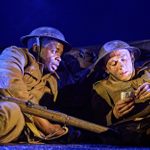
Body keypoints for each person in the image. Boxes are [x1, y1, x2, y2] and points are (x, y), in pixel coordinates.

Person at [0, 26, 72, 143]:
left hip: (25, 124)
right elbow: (9, 82)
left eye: (60, 54)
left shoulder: (52, 80)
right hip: (6, 107)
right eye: (54, 51)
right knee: (11, 112)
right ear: (36, 47)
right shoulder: (16, 54)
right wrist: (46, 126)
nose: (58, 58)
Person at [91, 40, 150, 145]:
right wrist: (114, 114)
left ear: (132, 57)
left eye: (124, 59)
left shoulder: (147, 72)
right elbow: (95, 122)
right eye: (113, 63)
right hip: (134, 129)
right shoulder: (101, 89)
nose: (121, 66)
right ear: (106, 69)